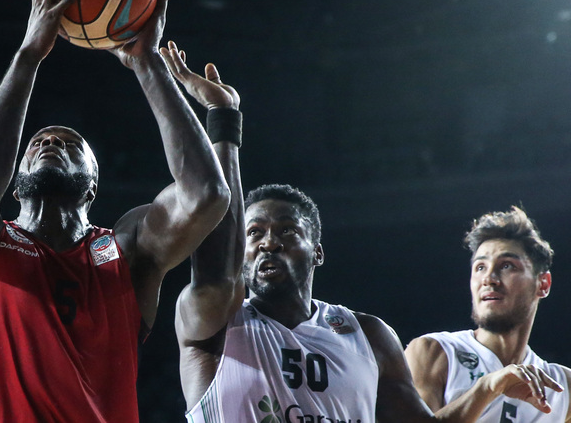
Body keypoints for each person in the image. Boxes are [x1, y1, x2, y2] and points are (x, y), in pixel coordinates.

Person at [169, 49, 562, 422]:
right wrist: (223, 122)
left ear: (317, 252)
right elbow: (215, 260)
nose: (268, 242)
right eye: (254, 232)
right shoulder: (217, 321)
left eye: (287, 231)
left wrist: (488, 387)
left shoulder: (367, 334)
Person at [0, 0, 230, 422]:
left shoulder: (128, 251)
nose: (49, 140)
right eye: (39, 141)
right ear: (15, 176)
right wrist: (29, 54)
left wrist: (149, 62)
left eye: (70, 144)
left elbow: (207, 195)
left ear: (92, 186)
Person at [406, 206, 570, 422]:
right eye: (480, 267)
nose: (489, 278)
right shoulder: (435, 351)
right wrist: (487, 388)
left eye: (507, 265)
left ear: (543, 283)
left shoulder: (562, 385)